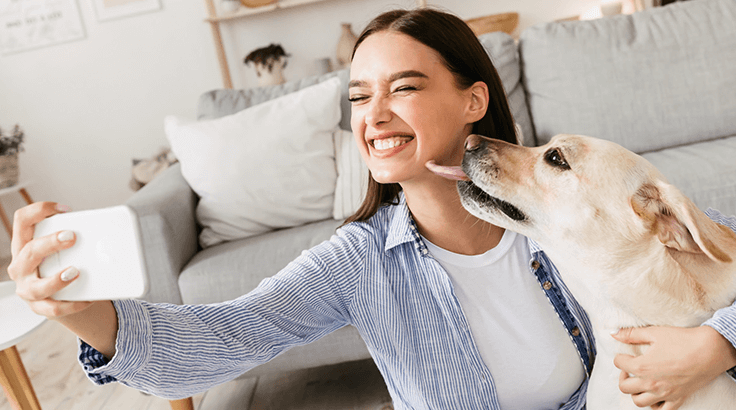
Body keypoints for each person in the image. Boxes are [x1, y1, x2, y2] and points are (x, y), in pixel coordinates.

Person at [8, 8, 736, 410]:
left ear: (473, 99)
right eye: (359, 96)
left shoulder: (564, 214)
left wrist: (716, 343)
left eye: (404, 87)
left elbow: (715, 266)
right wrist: (83, 314)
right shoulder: (360, 263)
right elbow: (225, 338)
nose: (374, 114)